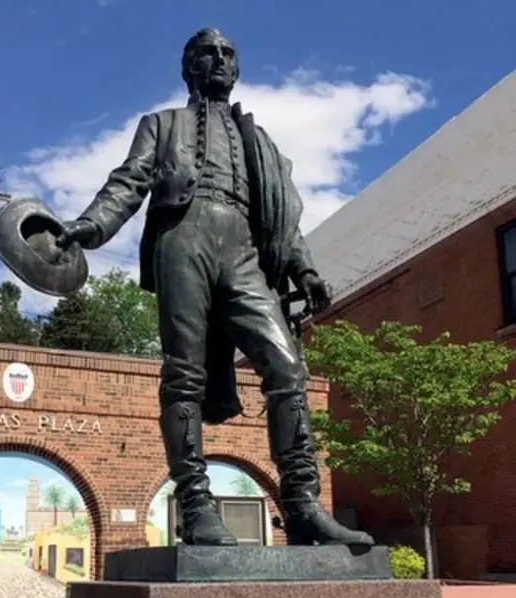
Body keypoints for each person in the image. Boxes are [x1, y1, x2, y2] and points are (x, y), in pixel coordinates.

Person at [57, 28, 374, 549]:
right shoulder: (162, 125)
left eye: (228, 54)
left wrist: (305, 270)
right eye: (208, 54)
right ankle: (197, 506)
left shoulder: (260, 141)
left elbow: (281, 219)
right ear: (189, 68)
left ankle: (302, 506)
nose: (220, 60)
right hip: (184, 236)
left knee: (287, 365)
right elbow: (128, 182)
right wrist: (89, 226)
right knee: (184, 373)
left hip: (244, 250)